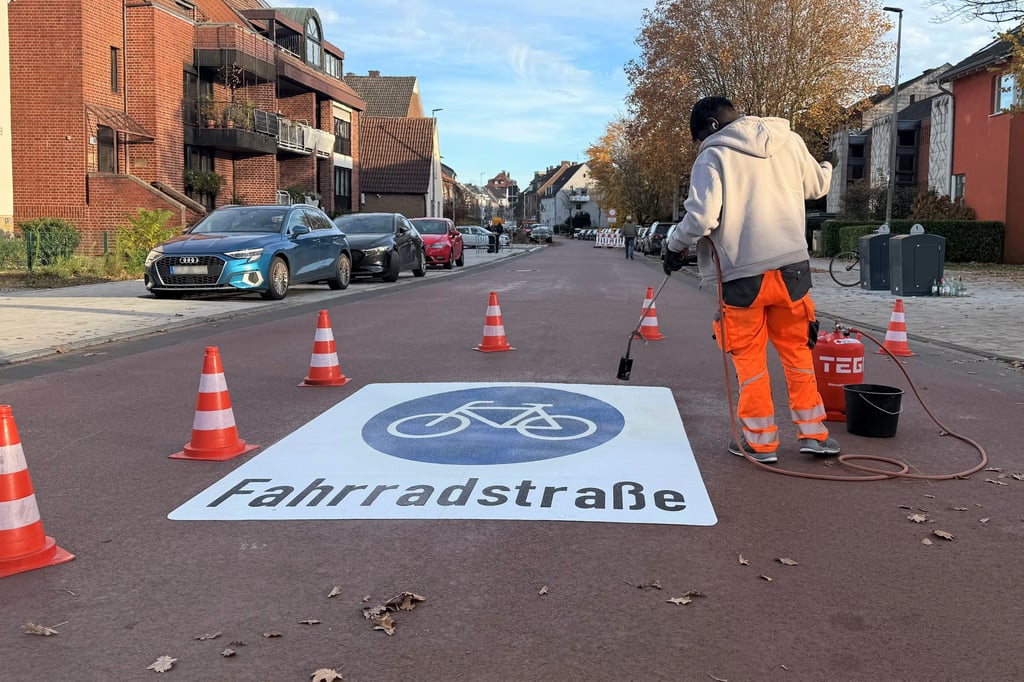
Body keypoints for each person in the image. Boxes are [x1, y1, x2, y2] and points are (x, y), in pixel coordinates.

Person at [663, 96, 838, 464]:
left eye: (699, 137)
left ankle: (760, 442)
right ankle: (815, 436)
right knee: (798, 354)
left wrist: (674, 246)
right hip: (792, 269)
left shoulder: (713, 156)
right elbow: (818, 186)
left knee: (750, 360)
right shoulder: (788, 140)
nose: (700, 144)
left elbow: (701, 218)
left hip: (743, 276)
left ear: (710, 126)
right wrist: (828, 163)